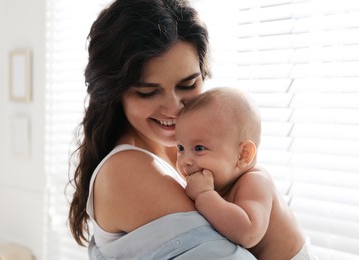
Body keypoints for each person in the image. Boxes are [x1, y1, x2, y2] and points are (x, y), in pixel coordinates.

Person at [68, 0, 255, 259]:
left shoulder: (184, 152)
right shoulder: (127, 170)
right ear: (116, 92)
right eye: (148, 92)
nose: (173, 108)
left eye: (188, 85)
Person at [175, 87, 318, 260]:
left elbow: (248, 233)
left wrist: (204, 195)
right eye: (180, 148)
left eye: (199, 148)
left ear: (243, 155)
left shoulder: (255, 181)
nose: (185, 160)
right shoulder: (219, 183)